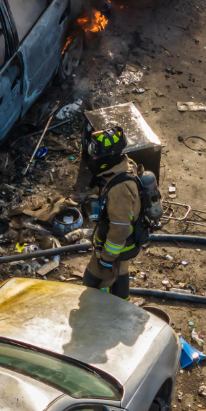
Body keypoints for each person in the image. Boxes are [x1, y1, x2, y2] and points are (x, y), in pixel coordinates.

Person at [82, 126, 142, 299]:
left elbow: (120, 230)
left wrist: (106, 258)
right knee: (121, 276)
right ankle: (121, 309)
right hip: (122, 247)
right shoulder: (123, 165)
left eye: (96, 154)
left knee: (93, 281)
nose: (93, 157)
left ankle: (101, 315)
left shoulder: (120, 188)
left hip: (114, 248)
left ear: (108, 157)